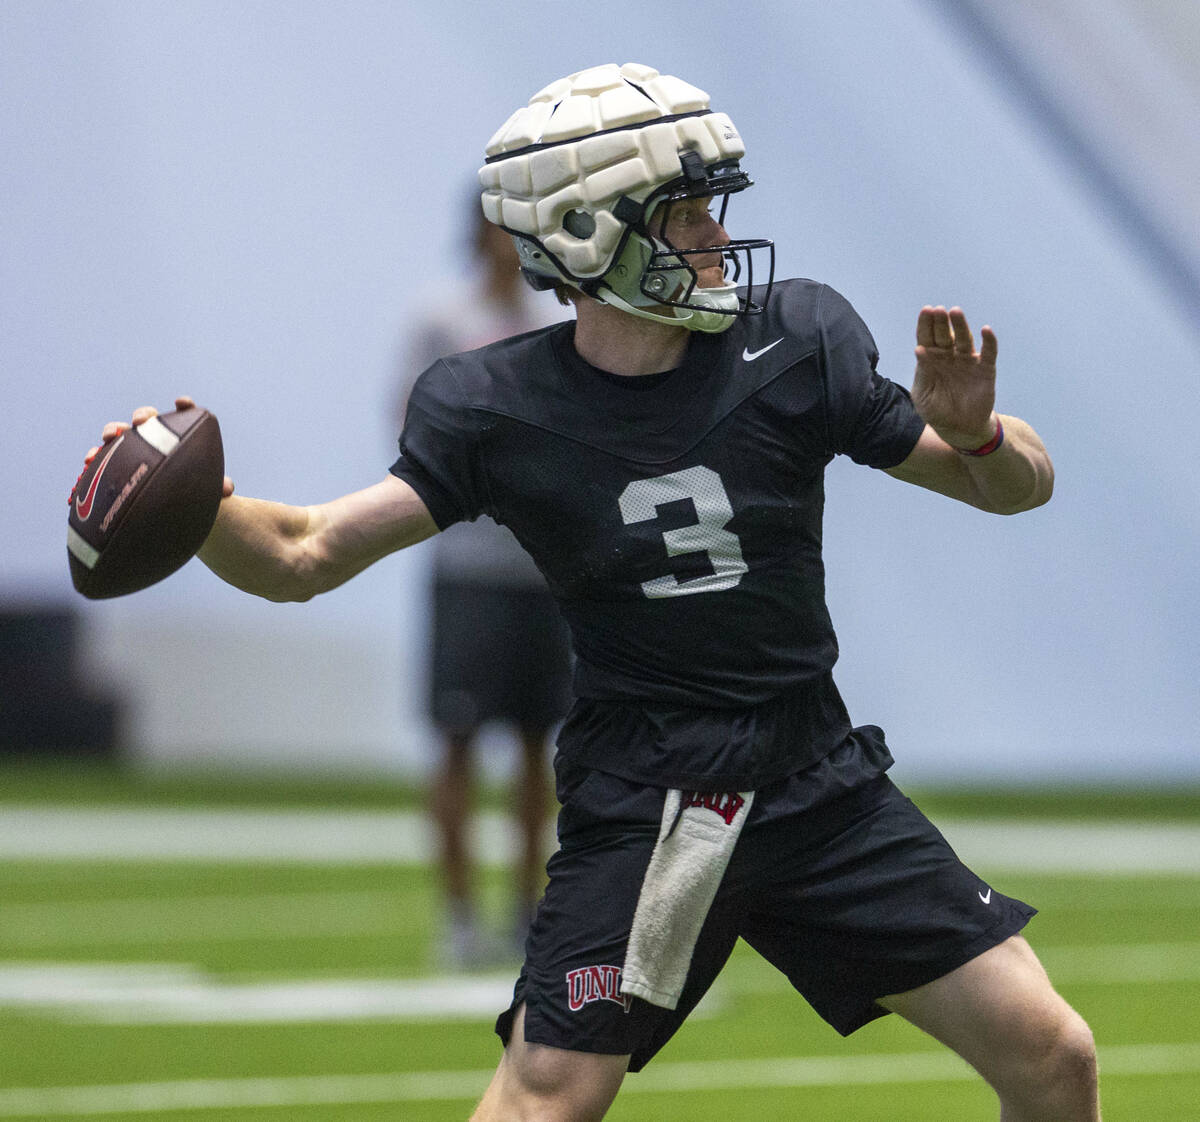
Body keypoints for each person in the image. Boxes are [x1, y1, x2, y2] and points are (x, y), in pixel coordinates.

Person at [88, 62, 1099, 1121]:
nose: (715, 233)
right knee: (547, 1098)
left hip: (815, 777)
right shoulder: (498, 407)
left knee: (1052, 1051)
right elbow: (303, 553)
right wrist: (194, 508)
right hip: (656, 799)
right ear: (585, 234)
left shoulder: (793, 342)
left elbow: (1011, 489)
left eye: (713, 205)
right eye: (684, 210)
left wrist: (981, 430)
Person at [395, 194, 572, 966]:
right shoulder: (443, 318)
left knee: (539, 748)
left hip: (543, 569)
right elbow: (412, 428)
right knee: (458, 741)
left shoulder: (551, 323)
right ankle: (458, 913)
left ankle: (527, 909)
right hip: (467, 566)